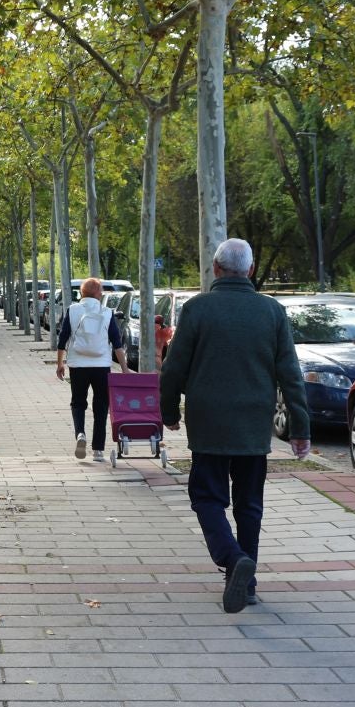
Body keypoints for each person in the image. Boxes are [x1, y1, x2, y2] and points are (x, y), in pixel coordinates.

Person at [159, 238, 312, 614]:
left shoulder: (196, 309)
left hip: (208, 422)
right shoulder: (272, 311)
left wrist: (169, 412)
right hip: (254, 424)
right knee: (250, 504)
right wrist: (300, 427)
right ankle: (248, 583)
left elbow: (173, 368)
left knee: (206, 497)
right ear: (251, 270)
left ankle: (232, 558)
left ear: (215, 269)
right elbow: (290, 374)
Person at [55, 278, 125, 462]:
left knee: (78, 403)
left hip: (77, 364)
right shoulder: (107, 312)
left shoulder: (73, 310)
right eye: (100, 290)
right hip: (102, 365)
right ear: (97, 293)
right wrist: (125, 369)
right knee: (101, 406)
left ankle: (80, 434)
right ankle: (98, 450)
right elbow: (117, 344)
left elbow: (62, 339)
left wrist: (60, 364)